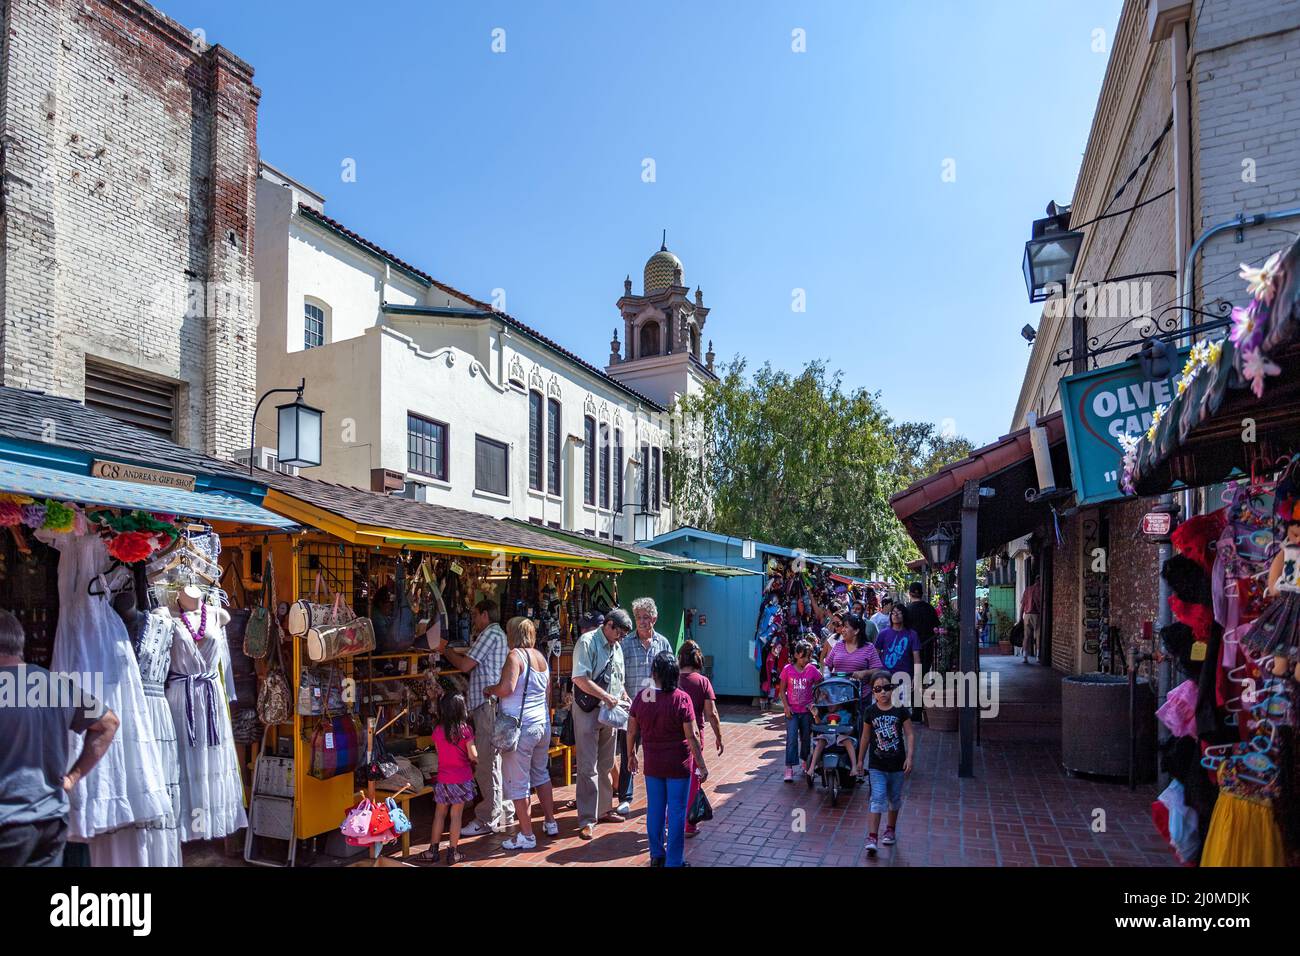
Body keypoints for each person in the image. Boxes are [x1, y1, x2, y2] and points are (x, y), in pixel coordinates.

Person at [0, 609, 119, 866]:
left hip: (7, 826)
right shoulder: (56, 685)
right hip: (51, 823)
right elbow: (108, 723)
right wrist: (72, 778)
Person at [437, 598, 514, 837]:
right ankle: (504, 809)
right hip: (490, 706)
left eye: (475, 615)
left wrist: (444, 650)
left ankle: (486, 818)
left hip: (486, 706)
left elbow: (465, 665)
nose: (473, 619)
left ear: (484, 615)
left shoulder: (490, 634)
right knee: (495, 762)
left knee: (486, 763)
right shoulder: (497, 634)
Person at [484, 617, 558, 850]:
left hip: (519, 728)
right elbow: (548, 693)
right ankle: (550, 822)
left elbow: (507, 688)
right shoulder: (541, 657)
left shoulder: (515, 656)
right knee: (541, 774)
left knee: (518, 783)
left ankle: (526, 835)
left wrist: (490, 689)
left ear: (512, 633)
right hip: (541, 724)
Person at [628, 651, 708, 867]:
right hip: (678, 765)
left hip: (653, 764)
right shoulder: (682, 699)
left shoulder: (644, 697)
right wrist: (701, 765)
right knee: (676, 812)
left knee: (654, 808)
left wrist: (630, 754)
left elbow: (631, 729)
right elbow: (691, 736)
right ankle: (674, 861)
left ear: (654, 673)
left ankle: (656, 855)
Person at [571, 608, 632, 840]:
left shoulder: (616, 646)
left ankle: (604, 809)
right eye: (620, 632)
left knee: (607, 762)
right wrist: (605, 696)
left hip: (610, 711)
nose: (621, 638)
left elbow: (617, 678)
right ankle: (587, 818)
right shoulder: (587, 642)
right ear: (608, 625)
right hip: (589, 710)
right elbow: (579, 678)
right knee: (587, 766)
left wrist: (623, 695)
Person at [615, 597, 674, 815]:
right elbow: (618, 673)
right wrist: (622, 696)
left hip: (657, 708)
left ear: (654, 619)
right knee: (628, 751)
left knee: (656, 753)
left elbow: (670, 674)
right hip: (632, 707)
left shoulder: (663, 643)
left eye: (646, 617)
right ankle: (625, 797)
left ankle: (657, 796)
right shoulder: (626, 643)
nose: (642, 621)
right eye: (638, 617)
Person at [857, 671, 915, 855]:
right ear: (873, 692)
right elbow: (865, 737)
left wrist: (910, 757)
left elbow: (910, 734)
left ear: (893, 689)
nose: (883, 692)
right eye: (878, 689)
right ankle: (872, 836)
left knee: (894, 799)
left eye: (887, 688)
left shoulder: (900, 709)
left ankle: (890, 829)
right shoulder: (870, 712)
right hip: (877, 766)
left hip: (897, 765)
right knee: (877, 798)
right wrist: (859, 761)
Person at [421, 692, 477, 864]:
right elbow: (473, 755)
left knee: (439, 814)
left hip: (444, 779)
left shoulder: (437, 731)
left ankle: (433, 851)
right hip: (462, 778)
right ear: (462, 709)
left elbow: (440, 754)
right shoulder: (465, 730)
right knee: (456, 816)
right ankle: (453, 853)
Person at [677, 640, 723, 836]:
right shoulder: (702, 681)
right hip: (694, 736)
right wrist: (719, 736)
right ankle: (688, 825)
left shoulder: (672, 680)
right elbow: (711, 713)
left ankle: (671, 820)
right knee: (693, 781)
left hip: (673, 736)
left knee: (674, 780)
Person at [778, 640, 819, 783]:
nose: (806, 660)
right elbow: (782, 691)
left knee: (806, 738)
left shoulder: (812, 670)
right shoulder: (787, 669)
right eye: (803, 657)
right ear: (796, 654)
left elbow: (821, 685)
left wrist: (816, 702)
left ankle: (805, 761)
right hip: (792, 712)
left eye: (808, 657)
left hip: (807, 711)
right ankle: (789, 767)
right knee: (791, 739)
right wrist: (786, 706)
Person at [822, 613, 882, 680]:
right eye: (843, 627)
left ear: (856, 631)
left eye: (846, 627)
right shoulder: (838, 646)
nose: (842, 630)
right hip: (838, 688)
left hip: (860, 689)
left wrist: (865, 673)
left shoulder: (869, 648)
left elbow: (878, 670)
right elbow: (827, 666)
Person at [874, 604, 921, 679]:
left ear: (904, 615)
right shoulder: (883, 633)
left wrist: (917, 678)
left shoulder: (912, 634)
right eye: (893, 613)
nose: (895, 615)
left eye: (898, 612)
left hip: (905, 676)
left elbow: (917, 659)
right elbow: (875, 656)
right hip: (885, 676)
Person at [905, 583, 941, 677]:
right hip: (927, 648)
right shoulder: (930, 608)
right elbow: (936, 628)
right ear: (922, 593)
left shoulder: (907, 610)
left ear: (909, 593)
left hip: (911, 649)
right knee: (923, 674)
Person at [1020, 573, 1042, 664]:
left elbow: (1023, 604)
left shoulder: (1028, 590)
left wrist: (1020, 616)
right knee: (1038, 635)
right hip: (1036, 614)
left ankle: (1025, 656)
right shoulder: (1040, 589)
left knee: (1026, 636)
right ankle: (1038, 656)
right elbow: (1038, 602)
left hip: (1027, 615)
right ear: (1039, 580)